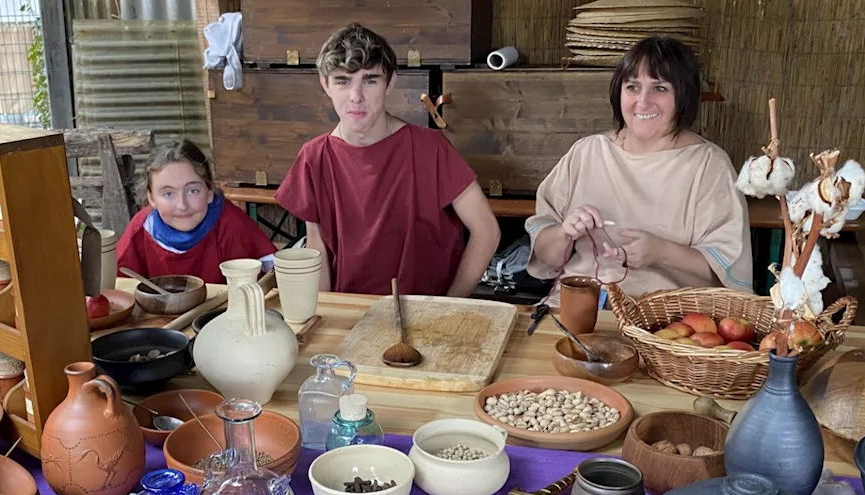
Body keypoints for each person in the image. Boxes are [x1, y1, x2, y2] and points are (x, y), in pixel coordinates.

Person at [274, 23, 500, 297]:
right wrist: (323, 312)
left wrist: (450, 305)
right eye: (343, 81)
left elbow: (486, 231)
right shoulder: (314, 157)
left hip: (424, 311)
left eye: (370, 80)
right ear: (325, 84)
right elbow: (317, 247)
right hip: (350, 308)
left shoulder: (430, 148)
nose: (356, 97)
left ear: (390, 82)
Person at [524, 36, 752, 298]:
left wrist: (662, 253)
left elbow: (728, 275)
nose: (643, 102)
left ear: (684, 95)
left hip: (669, 322)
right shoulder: (587, 152)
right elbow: (545, 258)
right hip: (576, 308)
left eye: (660, 88)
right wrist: (565, 233)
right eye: (632, 87)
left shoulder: (709, 165)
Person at [116, 139, 278, 284]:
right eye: (168, 194)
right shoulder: (141, 229)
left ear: (209, 192)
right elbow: (119, 287)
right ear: (151, 199)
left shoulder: (231, 225)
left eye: (192, 191)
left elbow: (272, 279)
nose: (182, 205)